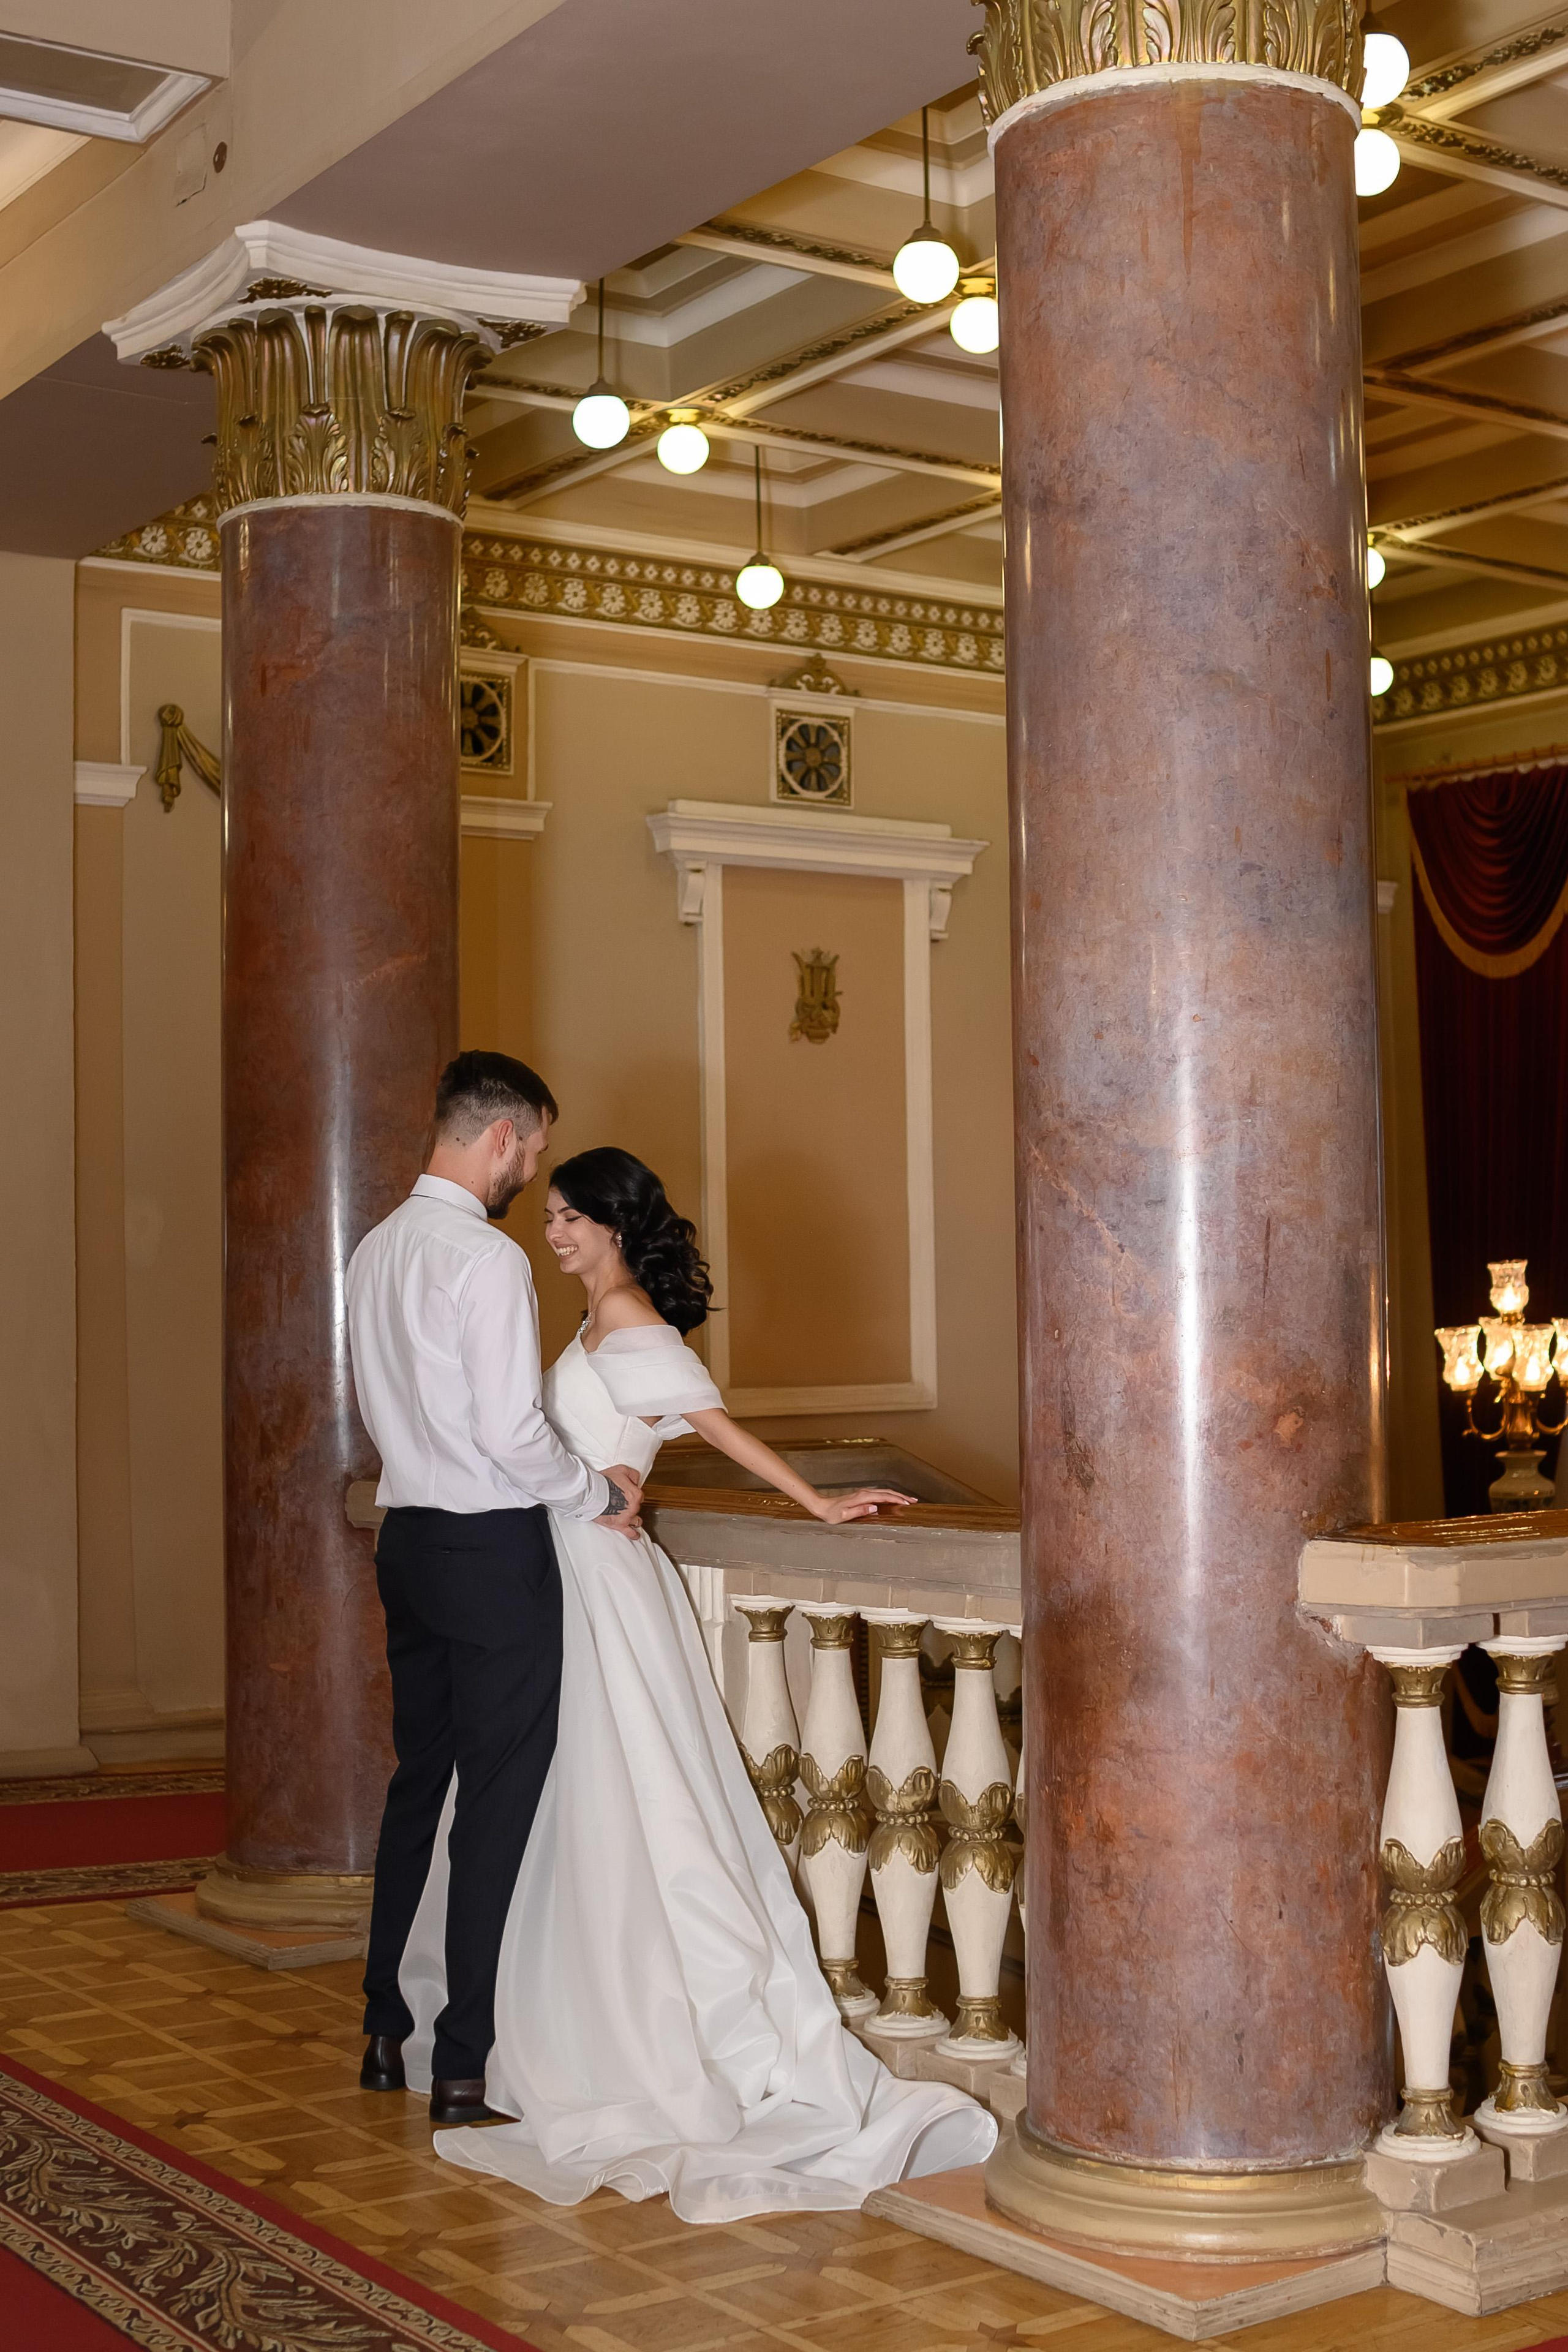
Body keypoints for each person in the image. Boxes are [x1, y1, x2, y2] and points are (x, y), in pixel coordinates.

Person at [394, 1142, 999, 2220]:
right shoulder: (588, 1321)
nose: (557, 1230)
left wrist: (815, 1503)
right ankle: (542, 2019)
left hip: (600, 1585)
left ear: (619, 1226)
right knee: (562, 1801)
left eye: (574, 1216)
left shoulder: (627, 1318)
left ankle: (634, 2030)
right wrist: (593, 1477)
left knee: (632, 1801)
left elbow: (712, 1424)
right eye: (554, 1216)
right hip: (561, 1566)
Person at [345, 1052, 648, 2127]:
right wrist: (592, 1490)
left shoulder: (375, 1248)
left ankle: (386, 2028)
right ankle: (461, 2064)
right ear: (506, 1137)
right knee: (498, 1806)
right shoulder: (483, 1257)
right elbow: (511, 1434)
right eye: (538, 1149)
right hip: (487, 1553)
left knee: (419, 1783)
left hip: (408, 1541)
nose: (535, 1172)